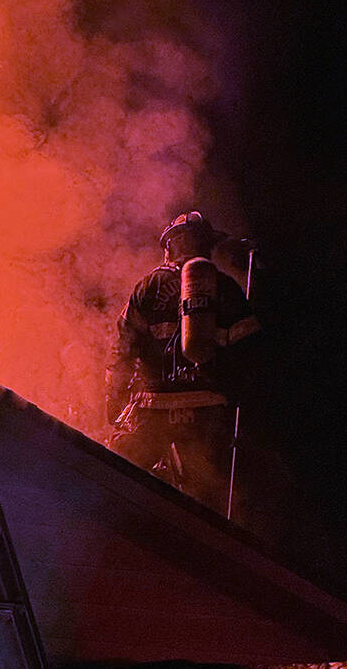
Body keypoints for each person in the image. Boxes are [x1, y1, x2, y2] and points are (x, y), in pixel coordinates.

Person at [106, 211, 259, 510]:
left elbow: (123, 348)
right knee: (208, 500)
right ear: (207, 245)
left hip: (154, 410)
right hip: (208, 413)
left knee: (118, 480)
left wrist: (114, 398)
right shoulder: (226, 289)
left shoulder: (147, 287)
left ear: (172, 245)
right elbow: (250, 352)